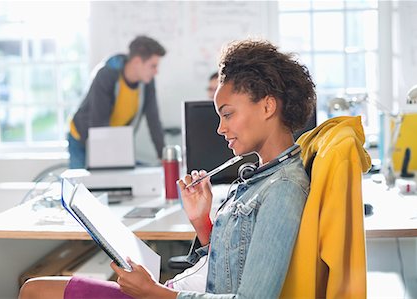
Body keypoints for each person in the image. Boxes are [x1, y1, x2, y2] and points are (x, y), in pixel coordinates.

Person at [19, 38, 316, 298]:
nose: (220, 128)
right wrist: (202, 222)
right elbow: (231, 266)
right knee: (37, 289)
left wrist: (153, 292)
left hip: (167, 295)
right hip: (175, 291)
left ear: (267, 107)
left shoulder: (283, 189)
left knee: (35, 291)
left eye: (227, 114)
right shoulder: (260, 177)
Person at [68, 36, 166, 169]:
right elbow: (98, 122)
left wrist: (163, 156)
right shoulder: (106, 75)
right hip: (83, 138)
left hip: (109, 140)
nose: (156, 71)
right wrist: (109, 156)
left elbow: (153, 119)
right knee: (84, 186)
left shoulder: (147, 82)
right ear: (137, 61)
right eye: (153, 66)